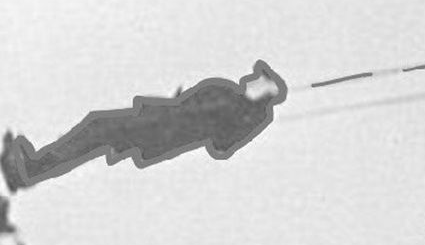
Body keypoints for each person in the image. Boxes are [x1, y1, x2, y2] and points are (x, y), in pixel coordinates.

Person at [1, 60, 288, 191]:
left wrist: (247, 116)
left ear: (264, 91)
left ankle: (30, 170)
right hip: (158, 123)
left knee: (98, 129)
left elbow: (221, 145)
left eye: (259, 79)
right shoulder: (226, 92)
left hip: (161, 130)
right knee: (96, 131)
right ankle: (32, 168)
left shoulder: (246, 113)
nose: (252, 77)